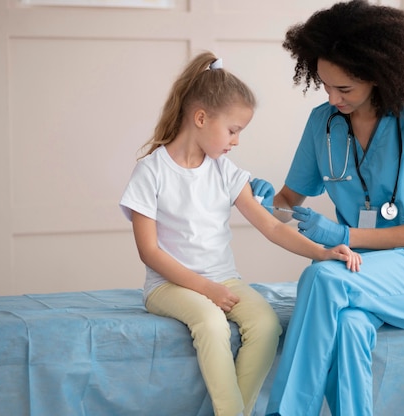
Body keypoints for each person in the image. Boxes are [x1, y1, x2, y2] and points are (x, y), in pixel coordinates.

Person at [119, 51, 362, 416]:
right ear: (201, 118)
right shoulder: (151, 172)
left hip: (224, 280)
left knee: (266, 325)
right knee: (212, 325)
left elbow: (270, 226)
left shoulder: (225, 171)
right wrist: (206, 289)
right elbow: (150, 252)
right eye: (233, 130)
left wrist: (323, 250)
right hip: (168, 286)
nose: (235, 141)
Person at [253, 2, 404, 415]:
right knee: (348, 327)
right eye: (325, 86)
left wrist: (343, 235)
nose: (332, 98)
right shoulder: (323, 124)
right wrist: (259, 201)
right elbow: (287, 202)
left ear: (376, 74)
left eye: (344, 89)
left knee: (322, 278)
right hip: (359, 268)